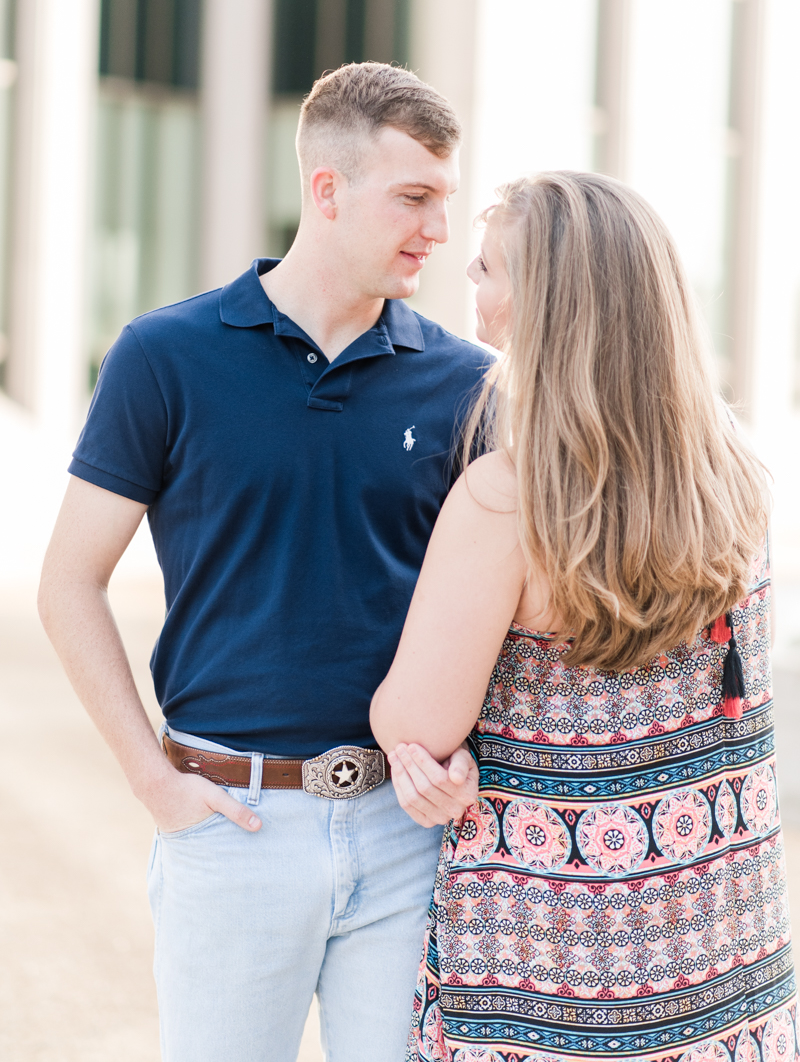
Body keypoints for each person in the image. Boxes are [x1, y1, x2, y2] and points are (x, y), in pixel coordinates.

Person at [37, 62, 489, 1062]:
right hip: (228, 824)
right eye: (412, 198)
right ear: (324, 191)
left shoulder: (467, 387)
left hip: (406, 834)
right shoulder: (165, 355)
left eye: (444, 201)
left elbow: (497, 605)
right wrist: (151, 779)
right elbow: (68, 581)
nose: (436, 231)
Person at [371, 171, 798, 1062]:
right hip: (726, 978)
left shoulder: (509, 501)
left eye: (487, 270)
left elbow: (416, 723)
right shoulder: (738, 479)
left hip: (551, 982)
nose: (473, 290)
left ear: (545, 304)